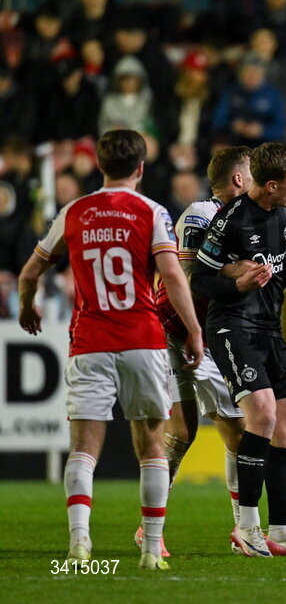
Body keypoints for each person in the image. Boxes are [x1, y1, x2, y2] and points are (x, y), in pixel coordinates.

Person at [17, 129, 203, 570]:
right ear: (141, 168)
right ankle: (152, 549)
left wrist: (28, 306)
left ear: (99, 165)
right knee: (153, 446)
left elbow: (30, 271)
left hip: (90, 341)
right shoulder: (152, 212)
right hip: (142, 339)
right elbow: (174, 277)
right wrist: (194, 330)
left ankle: (79, 542)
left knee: (83, 448)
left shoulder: (75, 211)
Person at [190, 142, 286, 558]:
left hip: (269, 328)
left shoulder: (285, 213)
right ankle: (247, 527)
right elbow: (200, 280)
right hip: (233, 328)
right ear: (271, 185)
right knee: (264, 415)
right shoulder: (230, 219)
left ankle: (282, 530)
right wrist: (238, 285)